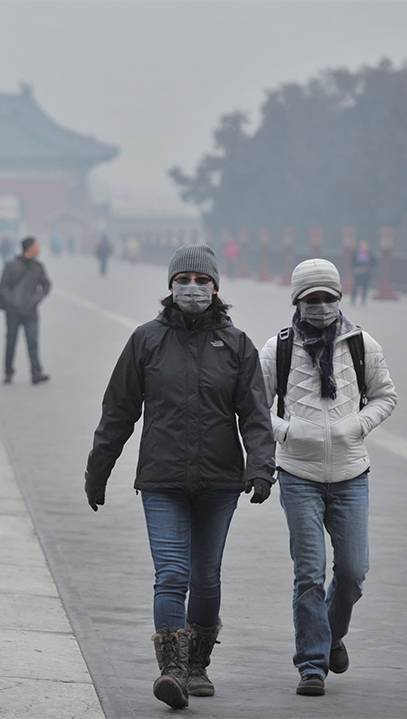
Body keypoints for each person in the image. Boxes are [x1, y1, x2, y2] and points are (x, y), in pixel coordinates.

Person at [84, 244, 276, 710]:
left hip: (218, 481)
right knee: (172, 574)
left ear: (216, 287)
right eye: (183, 280)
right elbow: (119, 410)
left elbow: (255, 413)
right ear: (170, 287)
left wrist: (261, 467)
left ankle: (198, 665)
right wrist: (99, 468)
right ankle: (172, 669)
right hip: (162, 480)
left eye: (202, 281)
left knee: (206, 577)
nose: (192, 288)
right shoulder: (146, 340)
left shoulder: (236, 345)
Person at [259, 259, 398, 697]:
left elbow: (385, 395)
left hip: (352, 473)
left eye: (328, 298)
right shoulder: (276, 349)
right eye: (311, 299)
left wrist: (356, 425)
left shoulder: (362, 344)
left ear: (340, 298)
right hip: (298, 474)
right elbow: (254, 409)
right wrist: (285, 430)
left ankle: (332, 634)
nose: (321, 307)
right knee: (308, 573)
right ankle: (312, 665)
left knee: (354, 570)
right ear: (297, 302)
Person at [0, 237, 51, 385]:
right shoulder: (12, 265)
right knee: (11, 342)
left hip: (30, 311)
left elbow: (46, 285)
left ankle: (36, 371)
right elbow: (3, 286)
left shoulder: (38, 267)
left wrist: (35, 300)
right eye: (37, 246)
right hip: (13, 311)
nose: (39, 249)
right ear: (30, 248)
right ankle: (8, 371)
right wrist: (11, 301)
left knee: (32, 341)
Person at [350, 241, 375, 305]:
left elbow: (374, 262)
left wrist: (370, 268)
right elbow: (353, 262)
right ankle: (353, 299)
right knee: (355, 286)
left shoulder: (370, 254)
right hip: (358, 272)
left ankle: (363, 300)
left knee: (365, 287)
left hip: (366, 273)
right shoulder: (356, 254)